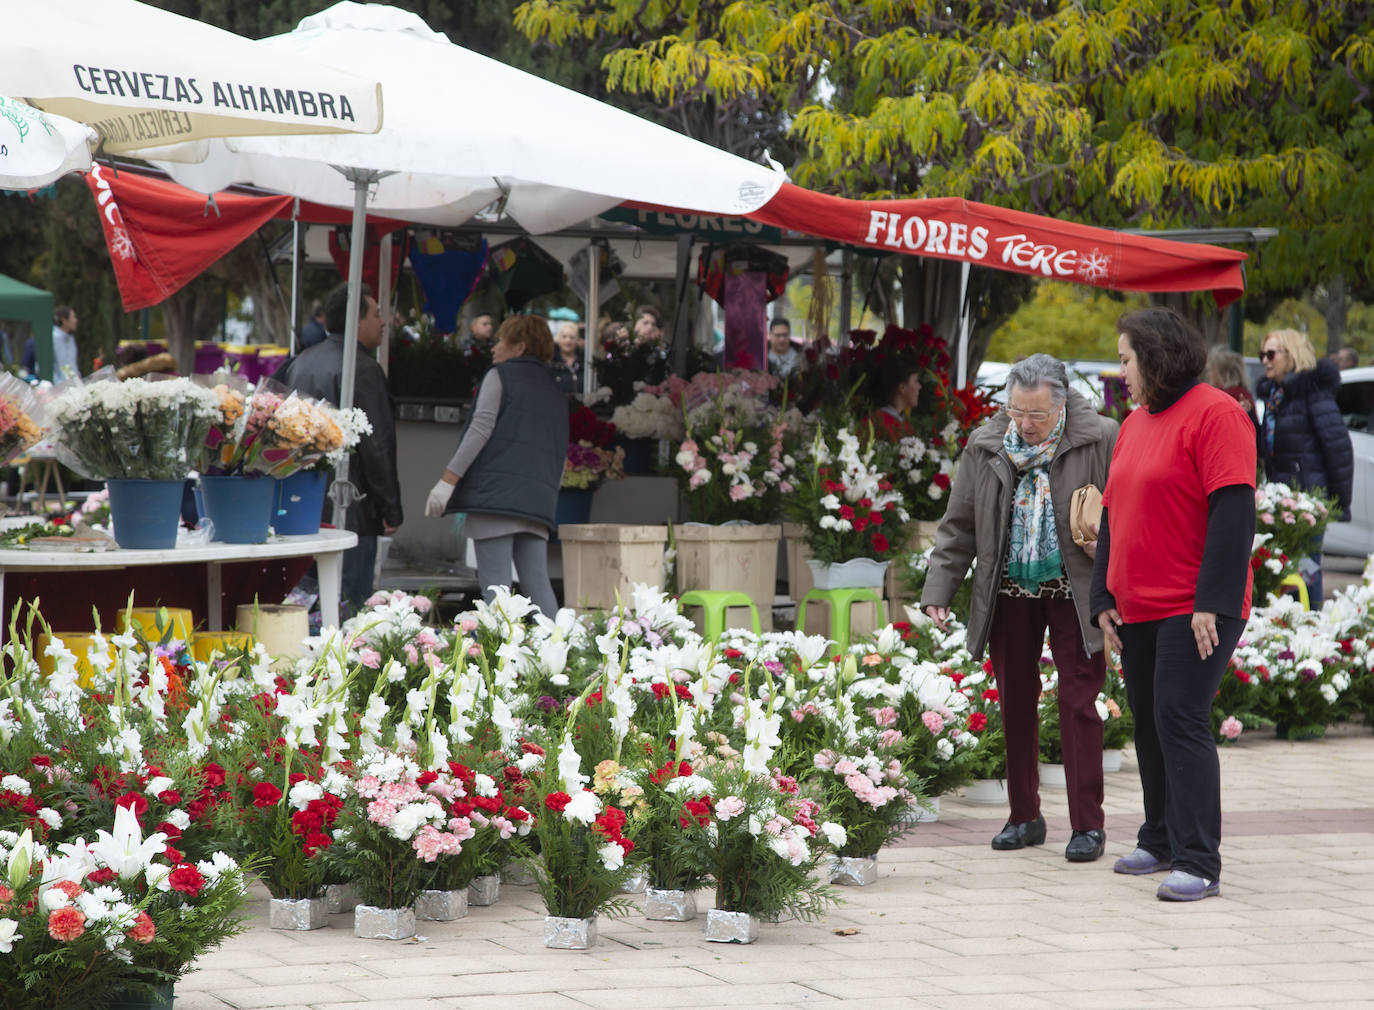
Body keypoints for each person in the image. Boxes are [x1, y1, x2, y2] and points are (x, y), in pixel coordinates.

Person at [922, 353, 1118, 863]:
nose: (1025, 425)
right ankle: (1024, 815)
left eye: (1037, 415)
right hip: (1009, 591)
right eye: (1016, 412)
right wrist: (939, 589)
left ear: (1062, 406)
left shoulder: (1101, 438)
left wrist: (1117, 577)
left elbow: (1128, 514)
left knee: (1078, 702)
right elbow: (959, 522)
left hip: (1075, 591)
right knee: (1014, 700)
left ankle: (1087, 826)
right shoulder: (987, 443)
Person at [1091, 306, 1257, 902]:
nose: (1122, 372)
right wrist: (1102, 596)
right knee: (1150, 722)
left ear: (1155, 357)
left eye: (1126, 359)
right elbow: (1114, 512)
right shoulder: (1136, 422)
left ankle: (1198, 860)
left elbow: (1234, 514)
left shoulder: (1218, 415)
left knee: (1179, 717)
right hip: (1137, 604)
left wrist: (1211, 601)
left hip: (1197, 606)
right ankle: (1158, 837)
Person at [424, 315, 568, 617]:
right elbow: (560, 452)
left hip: (495, 499)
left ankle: (497, 658)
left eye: (502, 341)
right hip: (537, 503)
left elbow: (480, 429)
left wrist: (448, 480)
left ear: (519, 347)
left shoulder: (500, 375)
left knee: (497, 590)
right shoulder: (556, 391)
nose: (494, 347)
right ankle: (560, 650)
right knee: (538, 585)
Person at [276, 283, 403, 616]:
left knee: (306, 605)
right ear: (356, 321)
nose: (383, 321)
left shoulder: (301, 361)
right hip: (350, 504)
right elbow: (377, 445)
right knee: (347, 609)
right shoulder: (362, 369)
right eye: (376, 314)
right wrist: (392, 509)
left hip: (302, 502)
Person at [1255, 328, 1353, 605]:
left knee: (1307, 566)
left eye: (1271, 353)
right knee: (1283, 567)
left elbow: (1338, 448)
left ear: (1292, 354)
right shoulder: (1275, 397)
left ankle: (1311, 620)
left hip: (1309, 498)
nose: (1265, 360)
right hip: (1281, 499)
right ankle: (1289, 622)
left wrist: (1337, 502)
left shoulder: (1314, 395)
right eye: (1262, 354)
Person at [866, 358, 922, 440]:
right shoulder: (877, 422)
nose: (919, 386)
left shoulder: (905, 423)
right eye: (916, 381)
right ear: (902, 387)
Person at [1204, 347, 1259, 430]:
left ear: (1222, 373)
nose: (1208, 375)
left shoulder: (1229, 397)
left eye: (1211, 370)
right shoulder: (1242, 393)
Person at [30, 306, 80, 381]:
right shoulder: (51, 338)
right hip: (59, 389)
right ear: (64, 320)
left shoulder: (70, 339)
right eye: (73, 317)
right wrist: (58, 385)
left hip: (74, 386)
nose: (76, 320)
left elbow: (72, 364)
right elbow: (41, 367)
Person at [549, 320, 584, 395]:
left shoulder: (584, 361)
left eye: (572, 337)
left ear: (577, 340)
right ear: (558, 339)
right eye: (564, 337)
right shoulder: (551, 361)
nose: (568, 340)